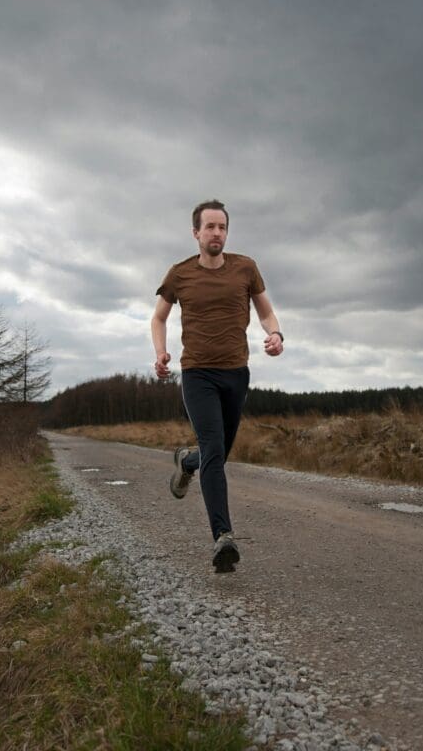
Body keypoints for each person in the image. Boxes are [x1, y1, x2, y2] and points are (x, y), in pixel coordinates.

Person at [152, 200, 284, 572]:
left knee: (218, 453)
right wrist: (160, 353)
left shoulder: (246, 268)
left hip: (235, 373)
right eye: (209, 227)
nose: (216, 234)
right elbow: (158, 318)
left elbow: (265, 311)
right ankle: (222, 537)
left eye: (222, 227)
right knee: (214, 448)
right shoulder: (179, 274)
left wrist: (275, 334)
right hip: (198, 374)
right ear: (196, 233)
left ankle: (187, 461)